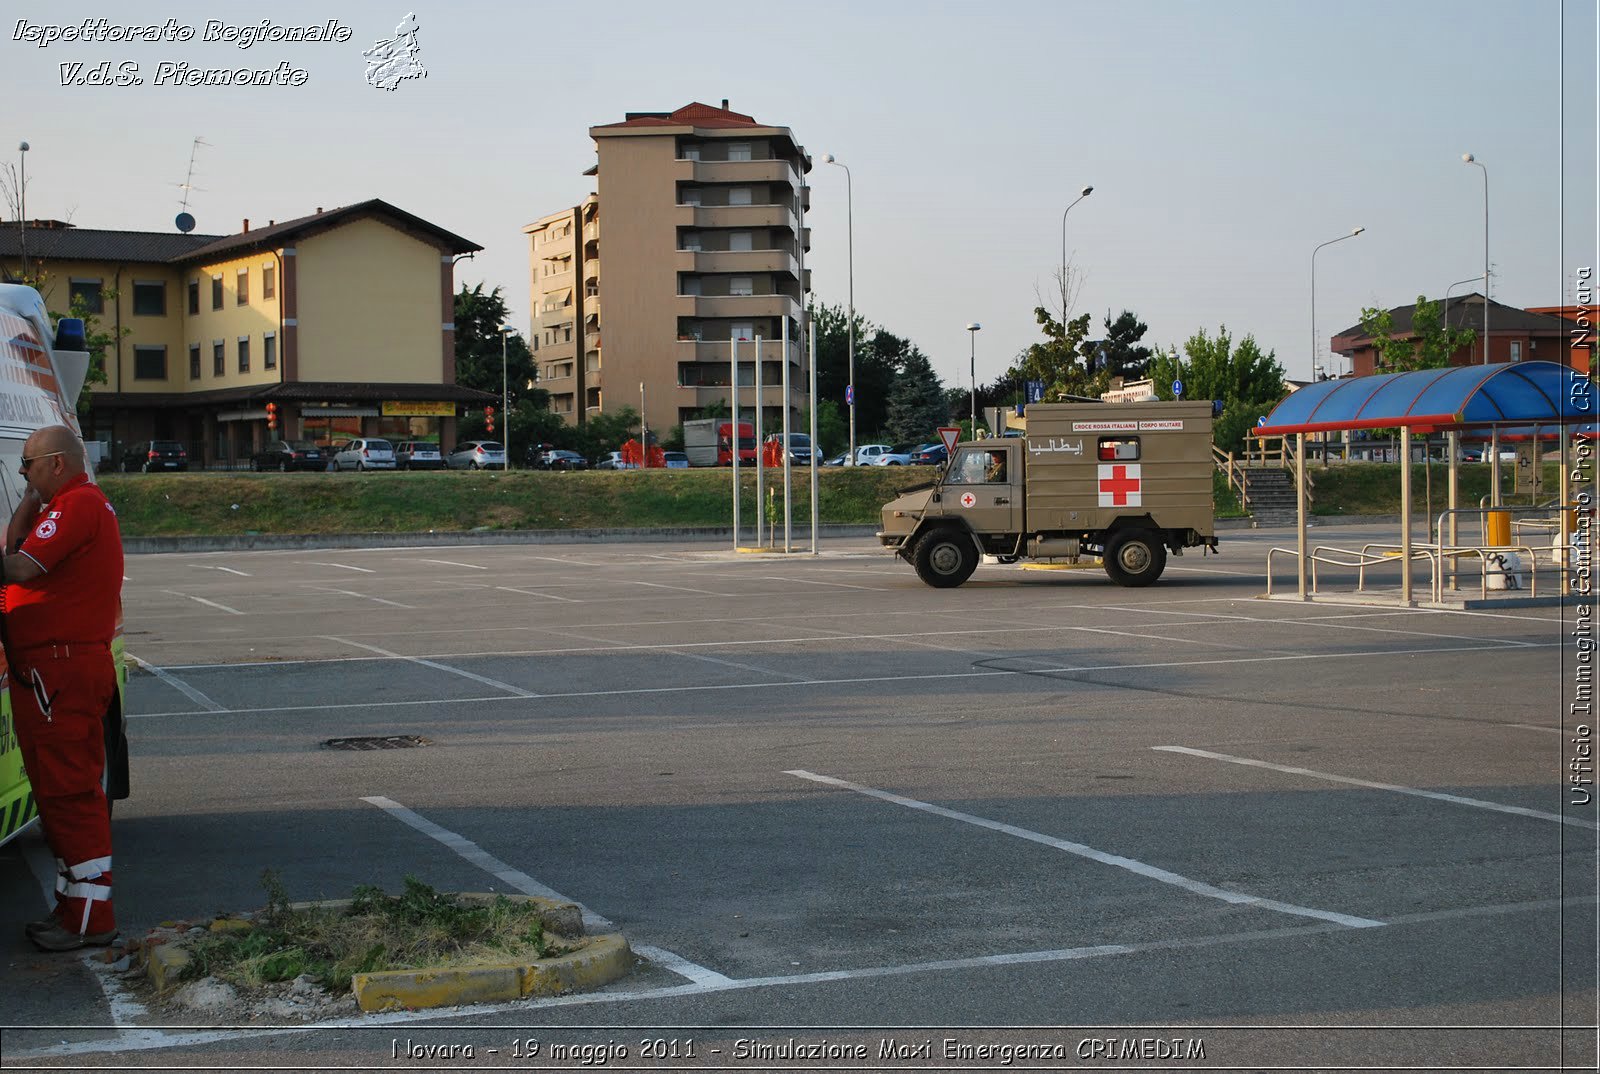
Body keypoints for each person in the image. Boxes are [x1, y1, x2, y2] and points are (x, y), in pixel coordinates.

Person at [0, 425, 124, 951]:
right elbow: (15, 544)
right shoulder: (68, 504)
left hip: (61, 671)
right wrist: (31, 493)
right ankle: (75, 907)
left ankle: (91, 919)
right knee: (56, 793)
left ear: (57, 463)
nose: (22, 473)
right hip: (54, 669)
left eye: (27, 464)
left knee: (70, 792)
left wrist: (35, 493)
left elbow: (20, 566)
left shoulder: (77, 505)